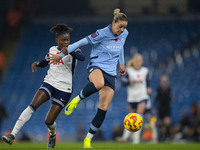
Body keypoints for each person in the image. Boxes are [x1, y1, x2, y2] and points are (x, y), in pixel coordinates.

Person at [48, 8, 128, 148]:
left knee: (103, 108)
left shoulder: (124, 34)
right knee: (98, 83)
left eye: (124, 27)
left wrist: (121, 64)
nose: (122, 30)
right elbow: (79, 43)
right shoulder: (101, 33)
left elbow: (120, 46)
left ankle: (88, 140)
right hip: (96, 66)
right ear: (113, 23)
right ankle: (76, 101)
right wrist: (60, 55)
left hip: (111, 73)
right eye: (120, 26)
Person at [1, 24, 85, 148]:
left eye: (68, 40)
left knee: (48, 121)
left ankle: (52, 134)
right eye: (63, 40)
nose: (66, 42)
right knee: (32, 106)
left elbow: (82, 58)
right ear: (57, 40)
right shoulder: (52, 49)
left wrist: (69, 51)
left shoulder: (74, 49)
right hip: (49, 83)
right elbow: (46, 61)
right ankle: (12, 135)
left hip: (64, 89)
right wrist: (38, 63)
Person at [116, 54, 156, 144]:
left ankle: (136, 140)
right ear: (133, 62)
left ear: (142, 62)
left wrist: (148, 88)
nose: (138, 62)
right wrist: (130, 81)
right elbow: (123, 83)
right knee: (132, 117)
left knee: (139, 116)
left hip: (143, 96)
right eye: (136, 60)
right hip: (132, 98)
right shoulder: (128, 71)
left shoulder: (145, 71)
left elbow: (147, 82)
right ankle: (125, 138)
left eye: (139, 60)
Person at [154, 75, 172, 141]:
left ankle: (167, 137)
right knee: (160, 124)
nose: (164, 82)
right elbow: (156, 99)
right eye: (163, 81)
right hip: (160, 109)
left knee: (167, 122)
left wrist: (171, 97)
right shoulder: (159, 89)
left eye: (165, 81)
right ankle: (160, 137)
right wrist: (155, 108)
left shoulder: (169, 89)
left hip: (167, 108)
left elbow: (169, 97)